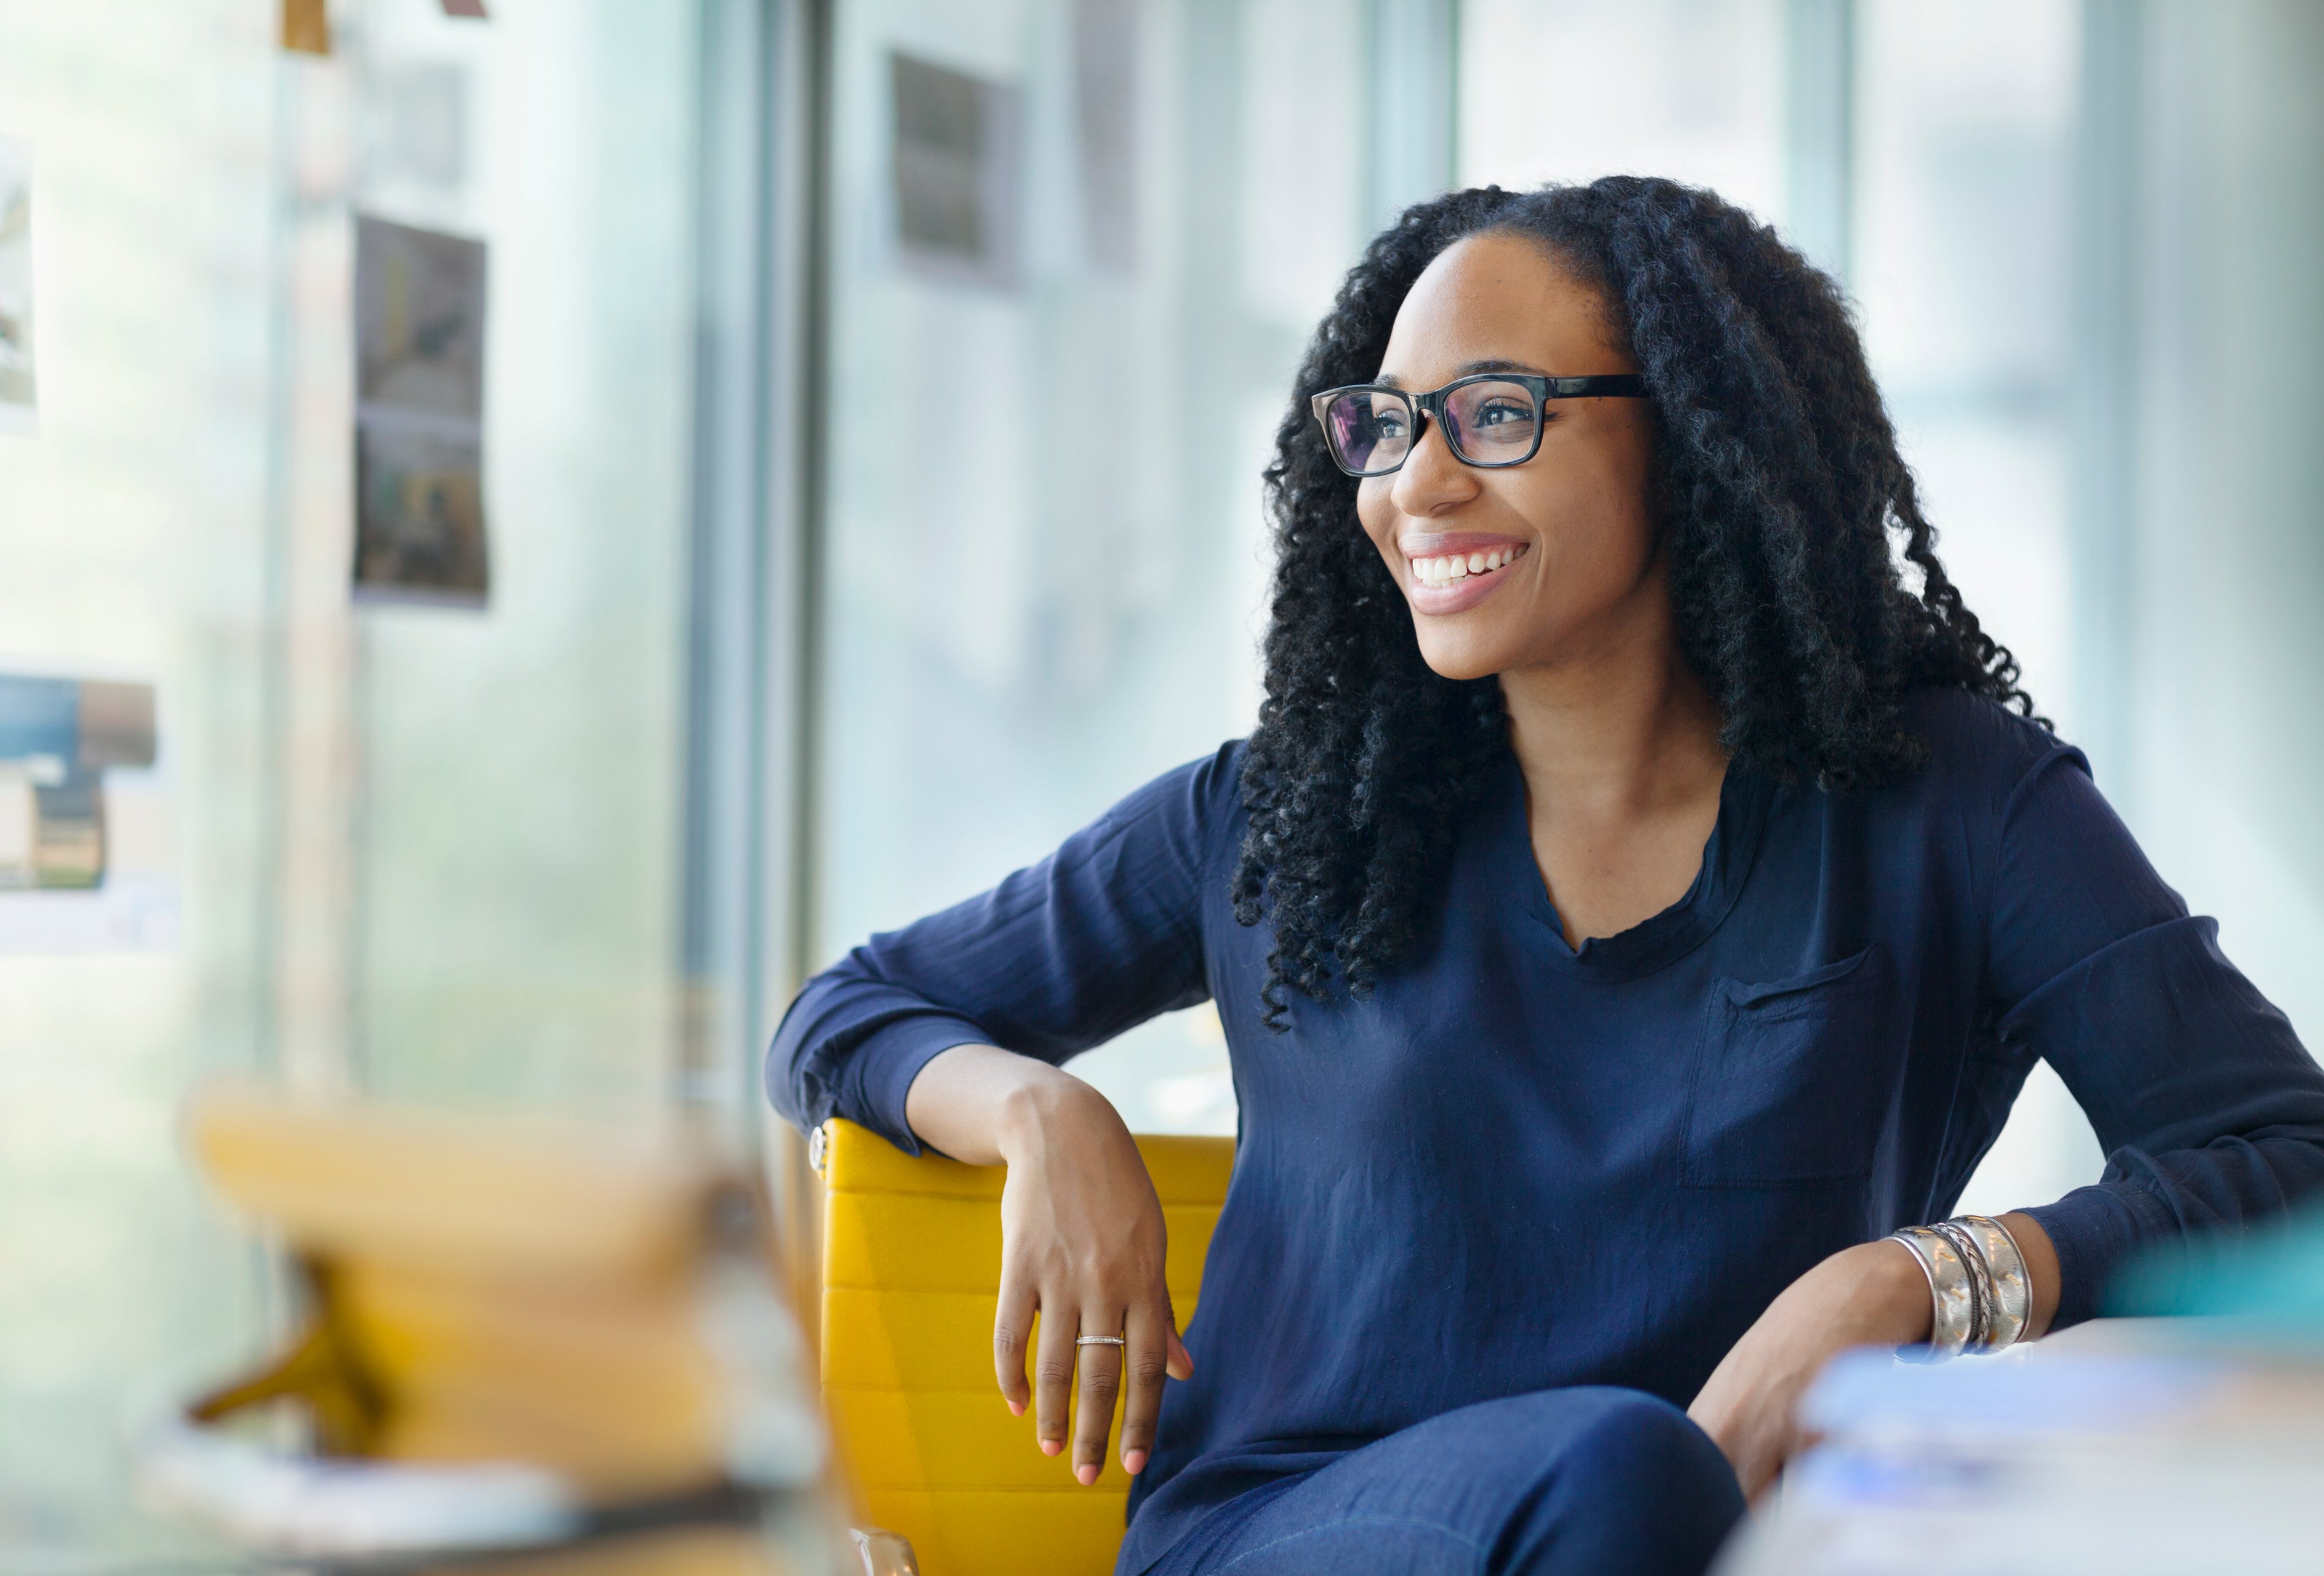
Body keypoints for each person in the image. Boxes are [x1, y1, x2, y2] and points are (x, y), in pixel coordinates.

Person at [765, 178, 2324, 1575]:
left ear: (1704, 442)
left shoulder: (1950, 805)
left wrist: (1906, 1280)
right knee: (1620, 1459)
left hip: (1708, 1536)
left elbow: (2282, 1148)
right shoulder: (1289, 815)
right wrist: (1044, 1108)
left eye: (1497, 412)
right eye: (1384, 424)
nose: (1416, 485)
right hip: (1275, 1534)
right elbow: (845, 1011)